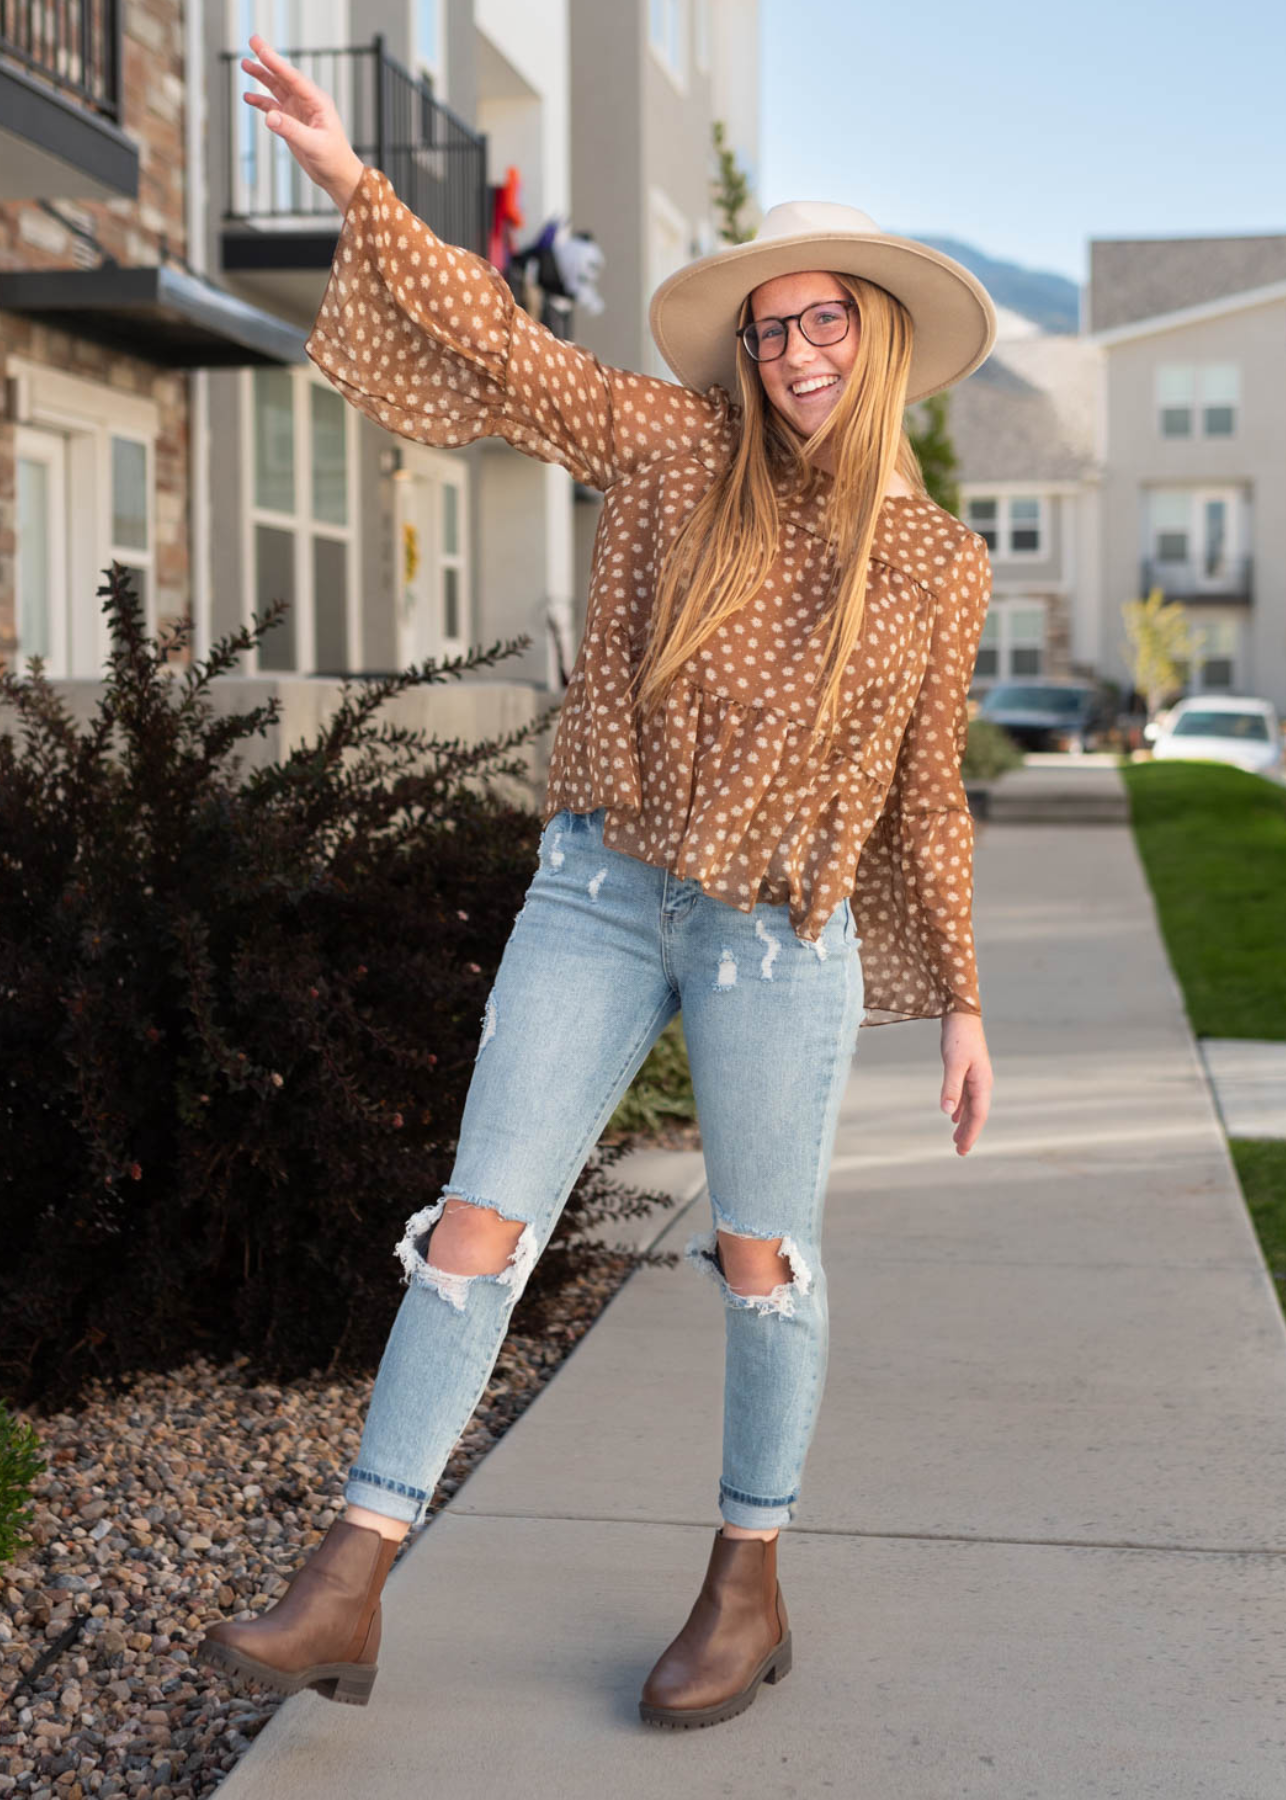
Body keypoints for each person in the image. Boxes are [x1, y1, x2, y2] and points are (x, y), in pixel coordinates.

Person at [198, 33, 997, 1729]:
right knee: (478, 1224)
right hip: (597, 890)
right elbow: (493, 342)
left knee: (763, 1261)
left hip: (782, 943)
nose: (791, 352)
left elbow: (927, 794)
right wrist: (355, 185)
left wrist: (963, 1006)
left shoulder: (931, 562)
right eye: (769, 326)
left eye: (822, 320)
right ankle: (353, 1575)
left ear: (879, 335)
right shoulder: (663, 449)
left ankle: (746, 1577)